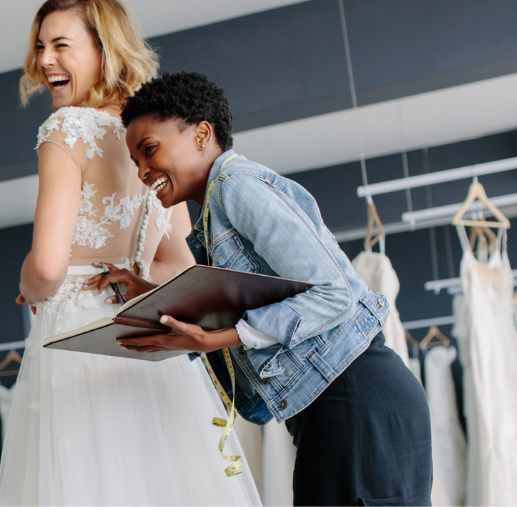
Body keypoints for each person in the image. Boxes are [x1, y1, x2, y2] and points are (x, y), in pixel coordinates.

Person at [112, 71, 433, 505]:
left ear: (203, 134)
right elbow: (248, 301)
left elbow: (334, 293)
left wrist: (216, 339)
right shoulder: (212, 217)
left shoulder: (236, 186)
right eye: (136, 162)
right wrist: (149, 293)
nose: (143, 171)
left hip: (356, 397)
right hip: (341, 403)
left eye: (149, 150)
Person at [0, 0, 262, 505]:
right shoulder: (149, 137)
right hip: (138, 340)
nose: (44, 60)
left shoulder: (66, 129)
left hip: (75, 341)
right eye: (40, 46)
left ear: (103, 50)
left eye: (61, 45)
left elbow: (48, 269)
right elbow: (179, 266)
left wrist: (28, 282)